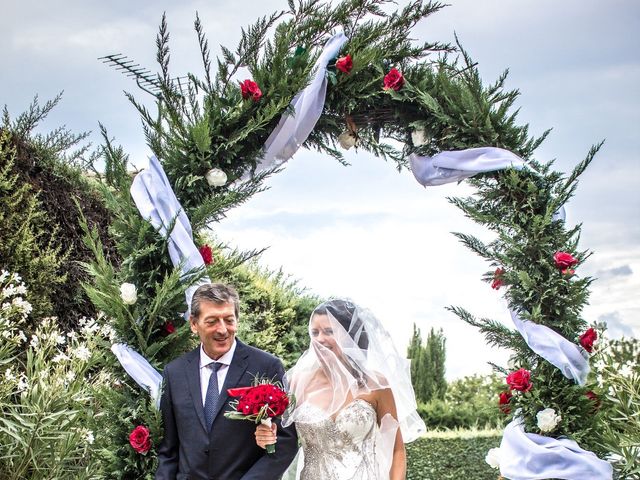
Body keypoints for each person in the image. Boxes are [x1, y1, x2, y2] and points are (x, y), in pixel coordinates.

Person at [255, 299, 426, 480]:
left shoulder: (376, 385)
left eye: (329, 331)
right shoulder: (297, 382)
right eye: (315, 332)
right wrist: (266, 435)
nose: (320, 339)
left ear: (350, 336)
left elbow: (397, 450)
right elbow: (281, 438)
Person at [156, 283, 298, 480]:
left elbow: (285, 442)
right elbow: (168, 449)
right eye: (212, 321)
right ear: (193, 324)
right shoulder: (174, 373)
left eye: (229, 320)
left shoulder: (267, 367)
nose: (222, 330)